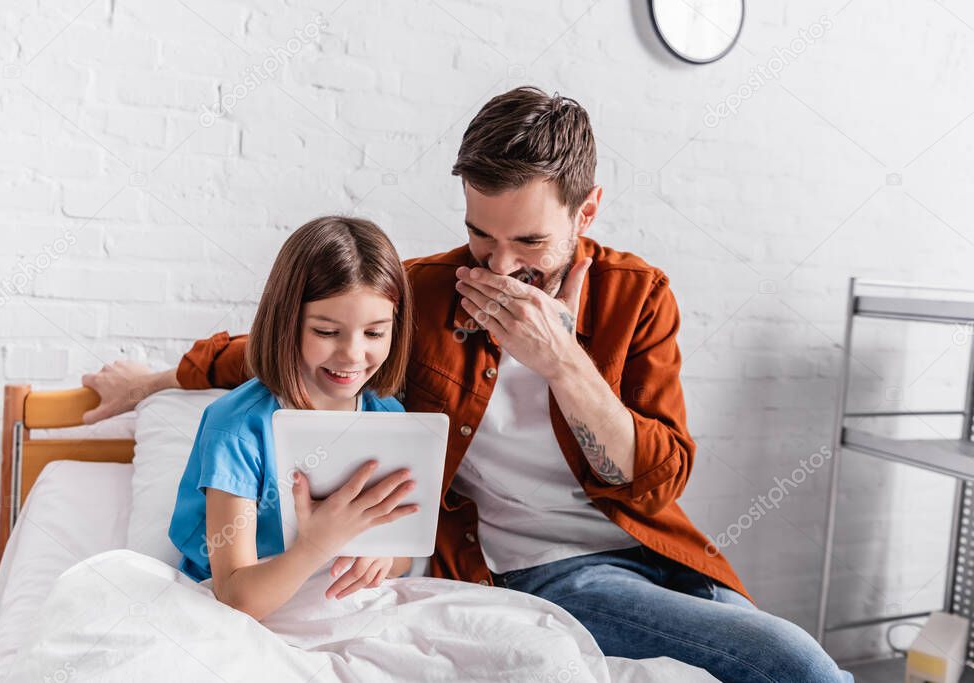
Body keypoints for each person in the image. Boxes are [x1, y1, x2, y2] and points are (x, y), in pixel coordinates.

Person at [85, 87, 852, 681]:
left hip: (653, 550)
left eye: (529, 242)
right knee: (794, 661)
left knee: (786, 656)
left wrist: (563, 363)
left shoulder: (637, 295)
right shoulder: (424, 293)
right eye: (481, 234)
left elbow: (658, 480)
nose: (499, 265)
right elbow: (296, 337)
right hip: (540, 569)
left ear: (587, 212)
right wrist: (157, 378)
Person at [167, 215, 419, 621]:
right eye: (326, 332)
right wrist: (317, 544)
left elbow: (403, 554)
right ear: (288, 323)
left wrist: (382, 555)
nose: (353, 355)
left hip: (341, 605)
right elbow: (235, 597)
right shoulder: (237, 428)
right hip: (245, 610)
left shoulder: (387, 416)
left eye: (374, 333)